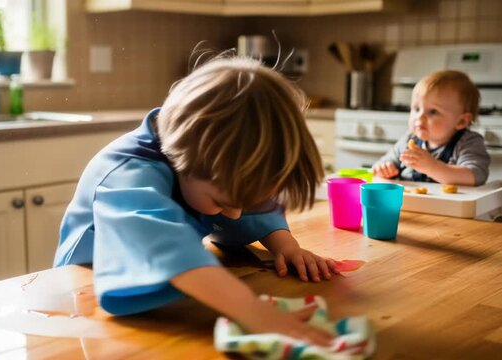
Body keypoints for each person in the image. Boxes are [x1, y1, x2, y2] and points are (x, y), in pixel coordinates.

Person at [54, 55, 339, 345]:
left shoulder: (203, 165)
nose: (235, 215)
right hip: (84, 292)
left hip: (180, 283)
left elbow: (250, 206)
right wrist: (257, 314)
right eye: (222, 201)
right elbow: (164, 245)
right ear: (184, 160)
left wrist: (286, 246)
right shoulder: (129, 174)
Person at [373, 70, 490, 186]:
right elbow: (384, 162)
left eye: (433, 111)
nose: (420, 116)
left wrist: (432, 167)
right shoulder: (409, 140)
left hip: (448, 204)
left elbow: (476, 176)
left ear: (461, 121)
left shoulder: (468, 142)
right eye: (416, 109)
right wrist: (384, 168)